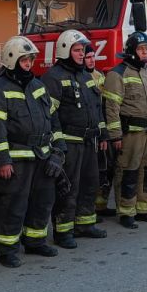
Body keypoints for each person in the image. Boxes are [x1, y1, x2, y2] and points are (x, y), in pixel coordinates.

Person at [0, 36, 64, 268]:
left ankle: (35, 241)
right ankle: (7, 249)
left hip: (42, 155)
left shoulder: (38, 86)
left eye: (30, 59)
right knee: (13, 204)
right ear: (11, 59)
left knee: (43, 200)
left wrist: (58, 151)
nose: (29, 64)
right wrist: (2, 161)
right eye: (24, 59)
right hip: (16, 158)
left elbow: (53, 120)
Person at [41, 30, 107, 248]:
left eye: (83, 50)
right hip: (69, 143)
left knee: (90, 184)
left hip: (89, 142)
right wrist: (58, 145)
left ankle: (85, 224)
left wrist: (102, 132)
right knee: (68, 189)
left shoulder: (86, 75)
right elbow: (49, 114)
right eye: (77, 50)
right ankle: (63, 230)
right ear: (65, 51)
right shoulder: (53, 77)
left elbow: (97, 107)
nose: (82, 54)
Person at [103, 31, 147, 229]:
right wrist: (115, 136)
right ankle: (126, 212)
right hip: (130, 134)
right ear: (131, 51)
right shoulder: (117, 74)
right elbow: (111, 108)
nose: (145, 53)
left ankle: (143, 209)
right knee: (128, 172)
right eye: (140, 49)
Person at [86, 46, 116, 218]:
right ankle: (89, 209)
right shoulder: (81, 77)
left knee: (104, 169)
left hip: (101, 129)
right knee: (92, 172)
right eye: (88, 57)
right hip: (89, 131)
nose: (91, 60)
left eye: (92, 57)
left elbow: (105, 105)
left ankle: (101, 205)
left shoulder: (99, 77)